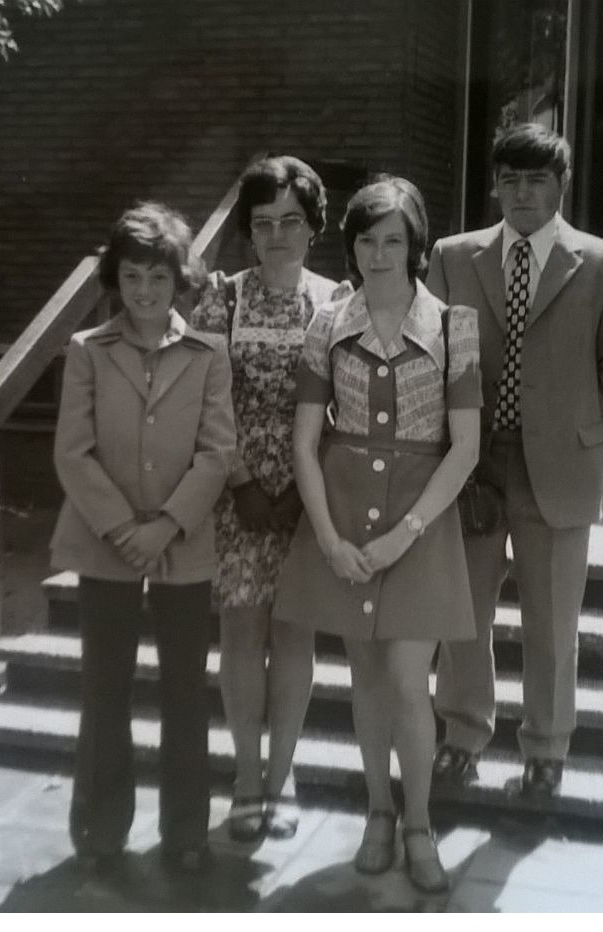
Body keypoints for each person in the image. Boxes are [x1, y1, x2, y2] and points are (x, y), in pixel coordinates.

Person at [425, 122, 603, 801]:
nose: (522, 193)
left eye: (537, 180)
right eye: (511, 179)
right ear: (494, 184)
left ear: (561, 185)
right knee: (461, 617)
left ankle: (546, 749)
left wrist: (572, 421)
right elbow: (432, 353)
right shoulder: (454, 257)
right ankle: (462, 738)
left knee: (552, 624)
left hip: (559, 467)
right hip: (472, 465)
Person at [273, 176, 481, 893]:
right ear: (351, 245)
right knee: (363, 676)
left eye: (394, 239)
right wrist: (328, 538)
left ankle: (419, 824)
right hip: (343, 507)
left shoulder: (455, 325)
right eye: (366, 238)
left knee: (405, 678)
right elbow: (304, 442)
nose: (379, 253)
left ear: (416, 245)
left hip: (420, 516)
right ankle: (377, 812)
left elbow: (466, 447)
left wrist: (407, 534)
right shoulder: (326, 323)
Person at [49, 202, 236, 875]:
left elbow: (217, 453)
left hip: (182, 545)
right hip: (106, 545)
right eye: (132, 279)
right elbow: (73, 452)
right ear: (115, 281)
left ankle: (185, 830)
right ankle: (100, 828)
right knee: (105, 688)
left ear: (179, 279)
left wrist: (165, 525)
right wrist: (125, 528)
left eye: (158, 279)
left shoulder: (208, 355)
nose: (145, 293)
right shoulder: (86, 352)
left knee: (184, 690)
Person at [188, 156, 348, 842]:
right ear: (248, 232)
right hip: (237, 497)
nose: (277, 234)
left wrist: (303, 491)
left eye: (290, 221)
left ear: (312, 227)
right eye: (262, 223)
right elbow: (200, 400)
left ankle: (282, 781)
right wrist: (243, 483)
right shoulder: (220, 299)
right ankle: (245, 780)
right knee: (241, 634)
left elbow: (349, 403)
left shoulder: (338, 300)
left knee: (294, 639)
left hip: (309, 500)